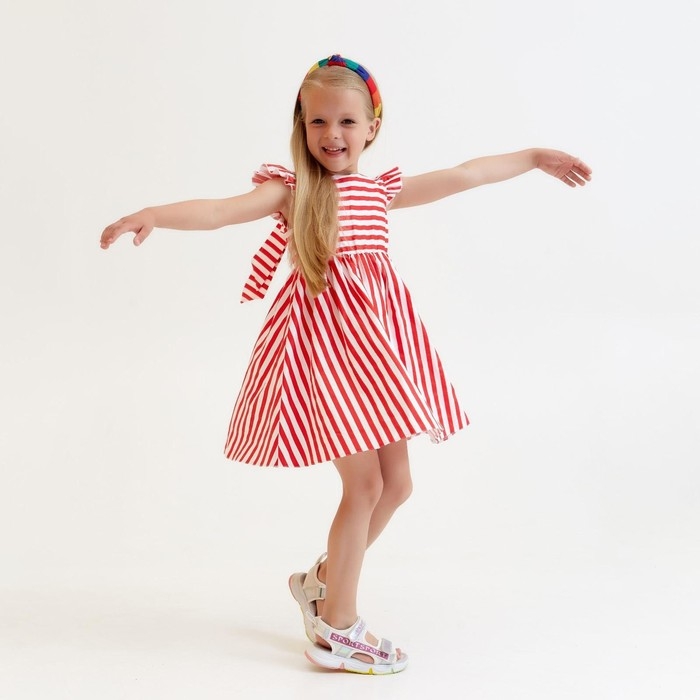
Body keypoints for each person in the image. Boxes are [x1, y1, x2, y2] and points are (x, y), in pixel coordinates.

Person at [100, 54, 592, 675]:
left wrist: (532, 157)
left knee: (397, 484)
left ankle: (322, 581)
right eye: (318, 121)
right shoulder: (294, 190)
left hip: (376, 352)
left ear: (372, 128)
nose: (331, 134)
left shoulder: (381, 190)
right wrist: (154, 215)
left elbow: (466, 174)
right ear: (301, 127)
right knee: (363, 487)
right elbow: (220, 210)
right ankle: (338, 626)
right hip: (326, 357)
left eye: (347, 121)